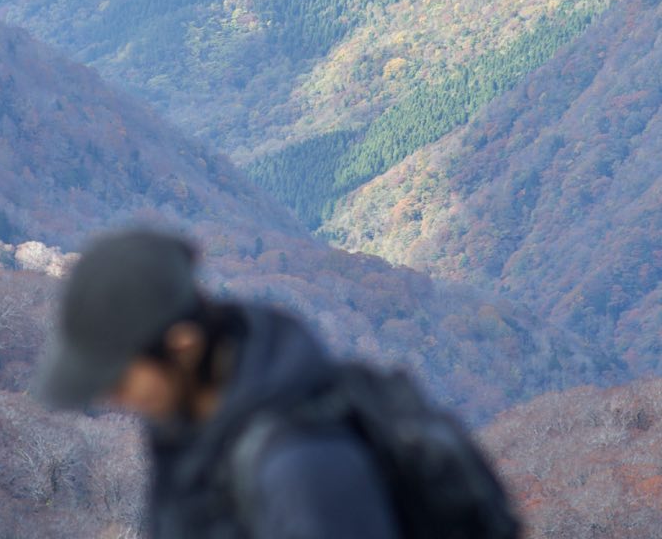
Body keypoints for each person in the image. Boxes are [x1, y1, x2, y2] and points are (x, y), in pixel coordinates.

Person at [37, 228, 499, 539]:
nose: (108, 395)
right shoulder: (192, 426)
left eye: (117, 376)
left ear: (182, 347)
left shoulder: (302, 467)